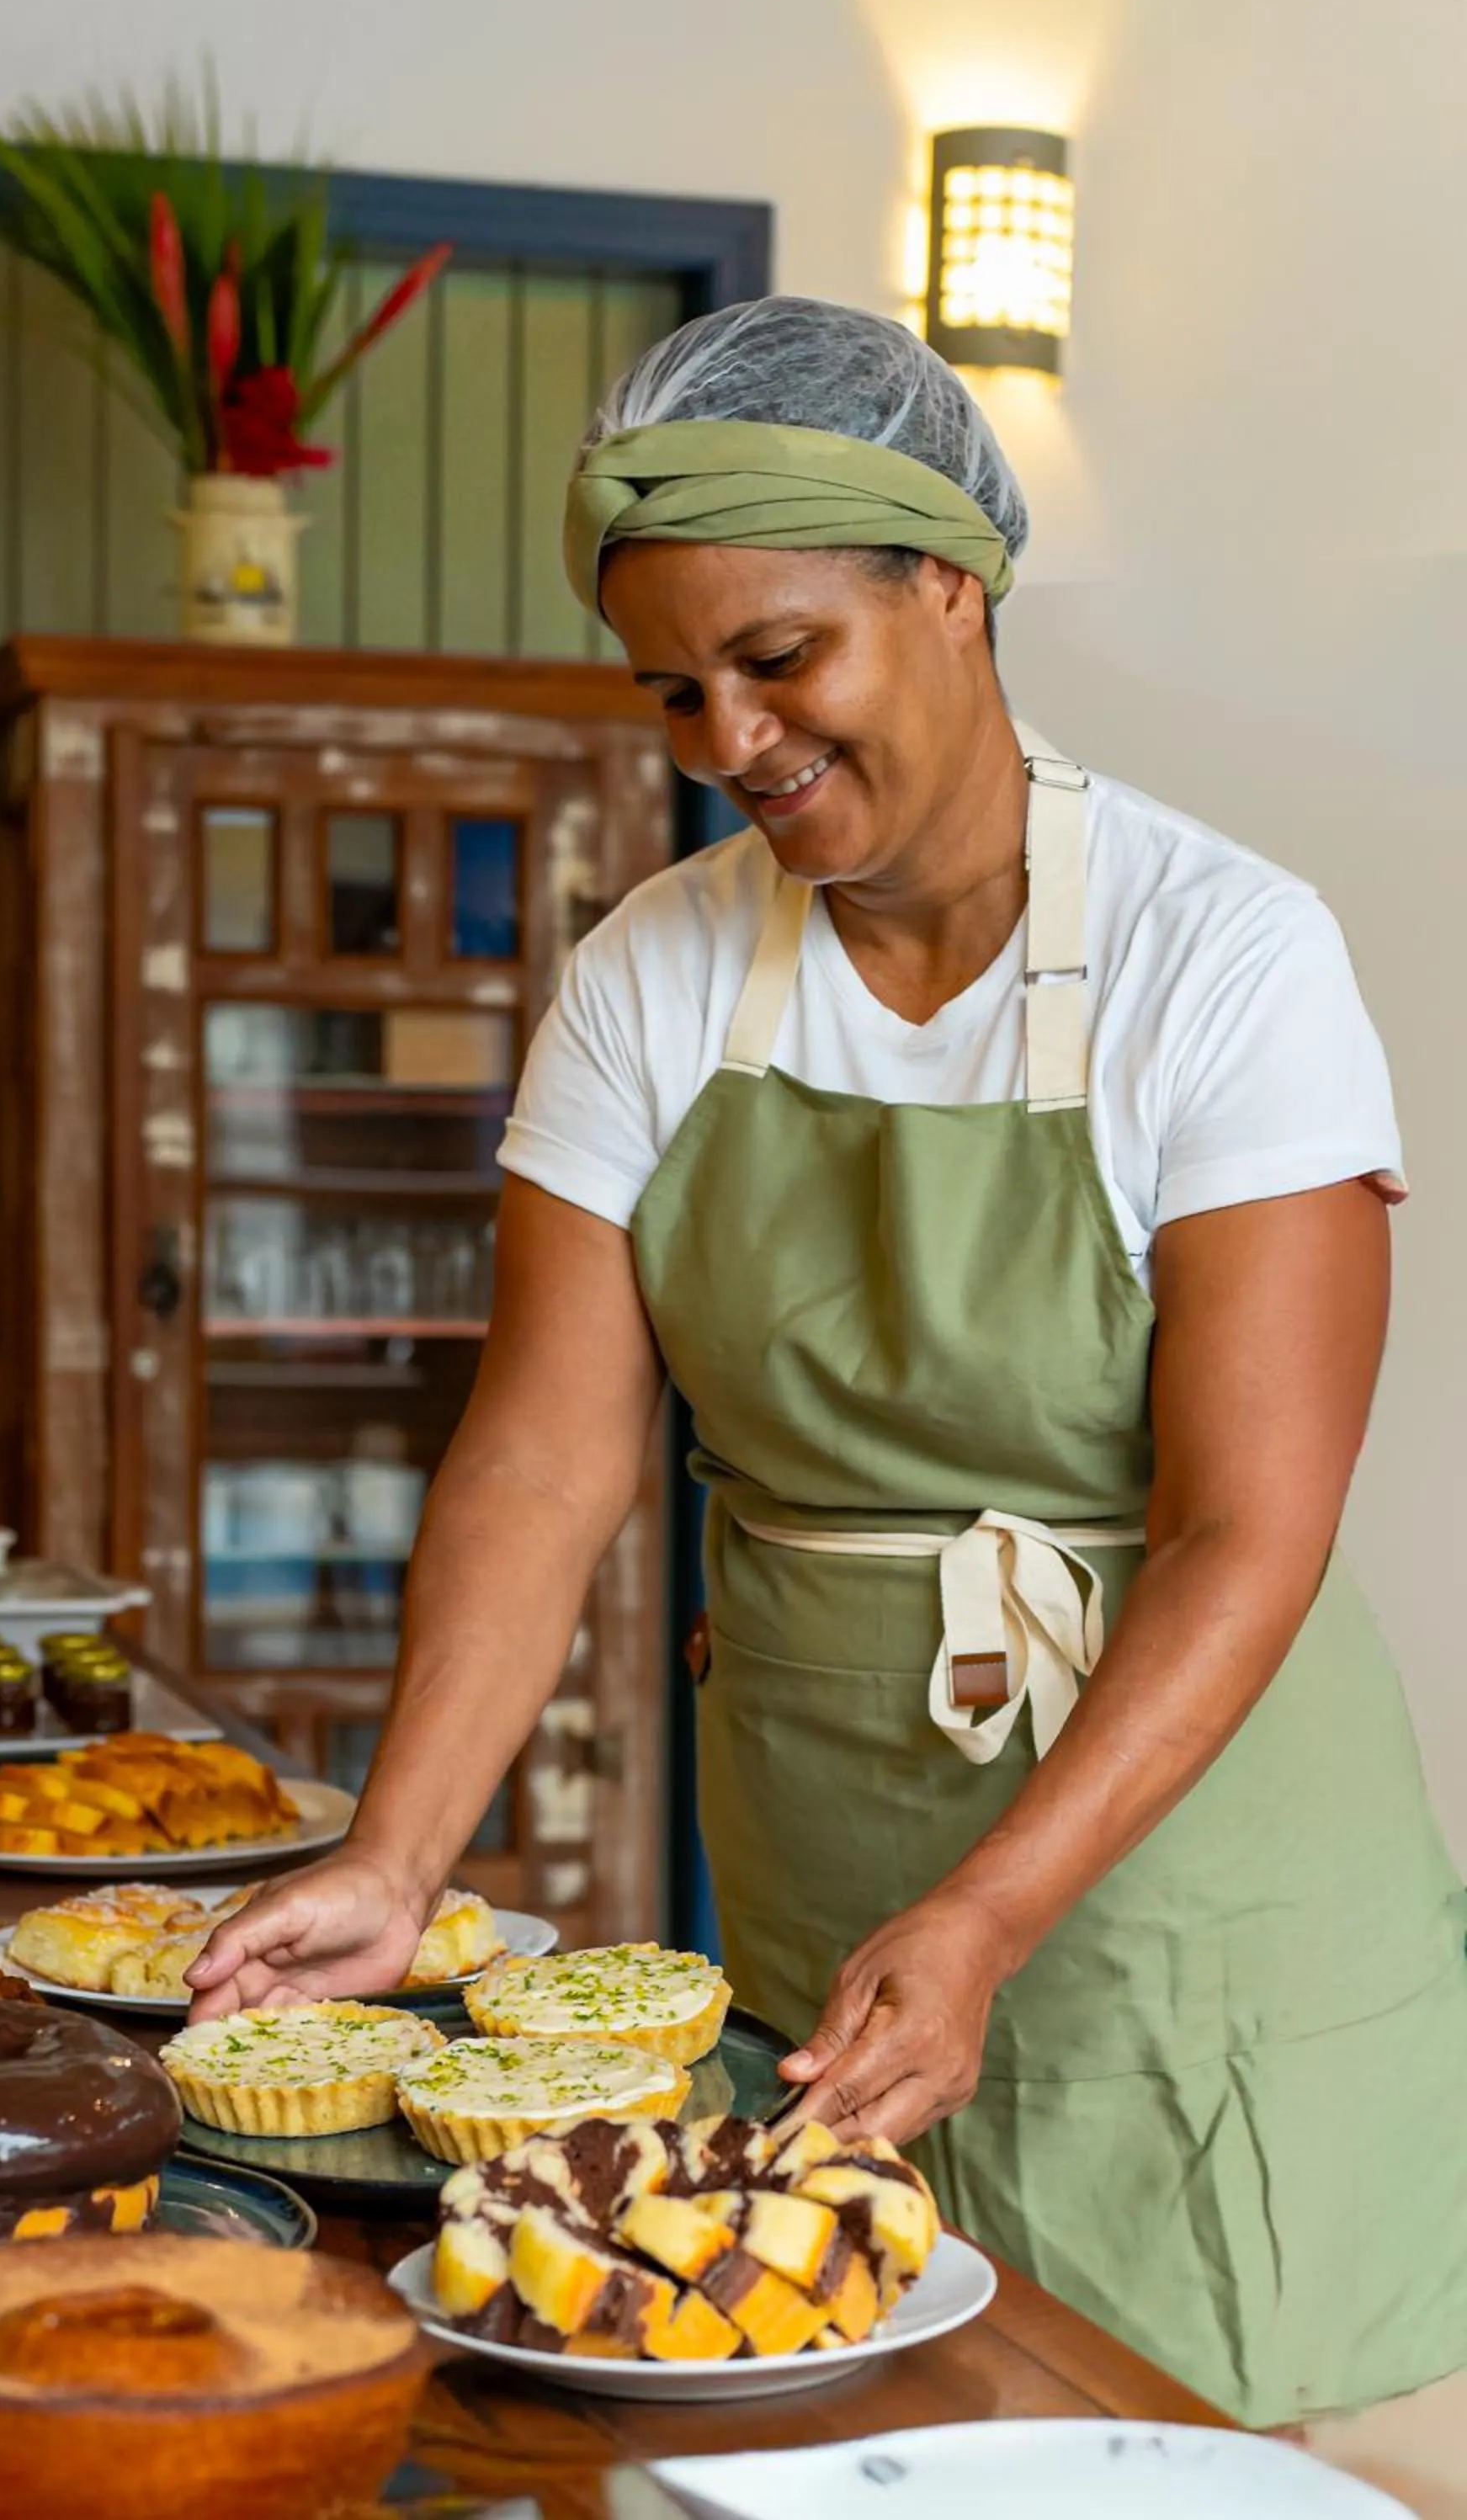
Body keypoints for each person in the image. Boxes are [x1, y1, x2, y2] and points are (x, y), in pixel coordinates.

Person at [188, 295, 1467, 2426]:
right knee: (846, 2413)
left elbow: (1250, 1527)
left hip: (1185, 1882)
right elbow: (540, 1462)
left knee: (1216, 2437)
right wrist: (402, 1862)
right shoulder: (652, 973)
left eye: (781, 661)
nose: (731, 738)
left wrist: (991, 1911)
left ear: (947, 587)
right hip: (819, 1851)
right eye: (674, 693)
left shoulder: (1224, 953)